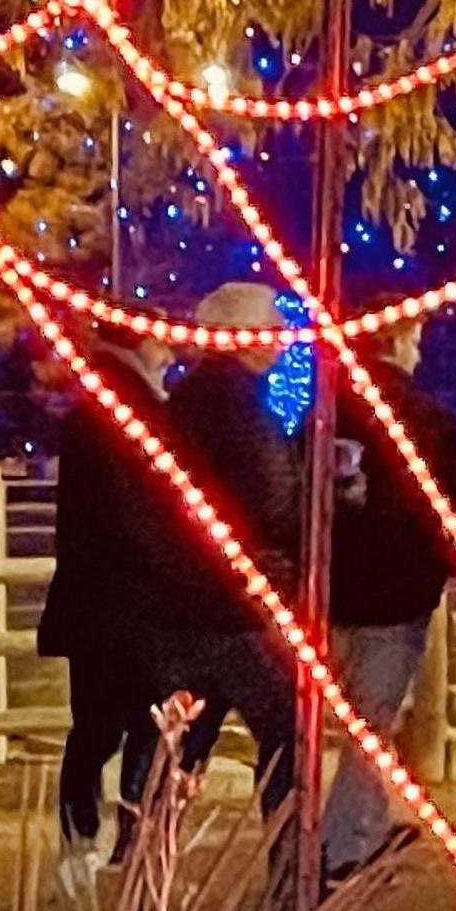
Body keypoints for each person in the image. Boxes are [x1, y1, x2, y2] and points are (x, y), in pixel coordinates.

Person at [136, 279, 305, 823]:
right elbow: (276, 504)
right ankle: (288, 862)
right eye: (273, 330)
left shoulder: (176, 406)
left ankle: (142, 857)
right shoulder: (246, 413)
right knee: (286, 730)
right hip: (238, 603)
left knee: (183, 739)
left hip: (175, 598)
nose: (281, 342)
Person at [322, 316, 456, 879]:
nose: (419, 351)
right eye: (415, 340)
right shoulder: (424, 416)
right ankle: (343, 851)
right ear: (395, 343)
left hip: (329, 587)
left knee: (337, 725)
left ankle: (348, 830)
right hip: (396, 592)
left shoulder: (328, 409)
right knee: (372, 726)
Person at [39, 329, 176, 862]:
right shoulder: (140, 412)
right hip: (136, 597)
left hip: (93, 599)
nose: (169, 354)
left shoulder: (93, 408)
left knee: (94, 729)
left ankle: (81, 838)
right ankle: (133, 839)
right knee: (142, 725)